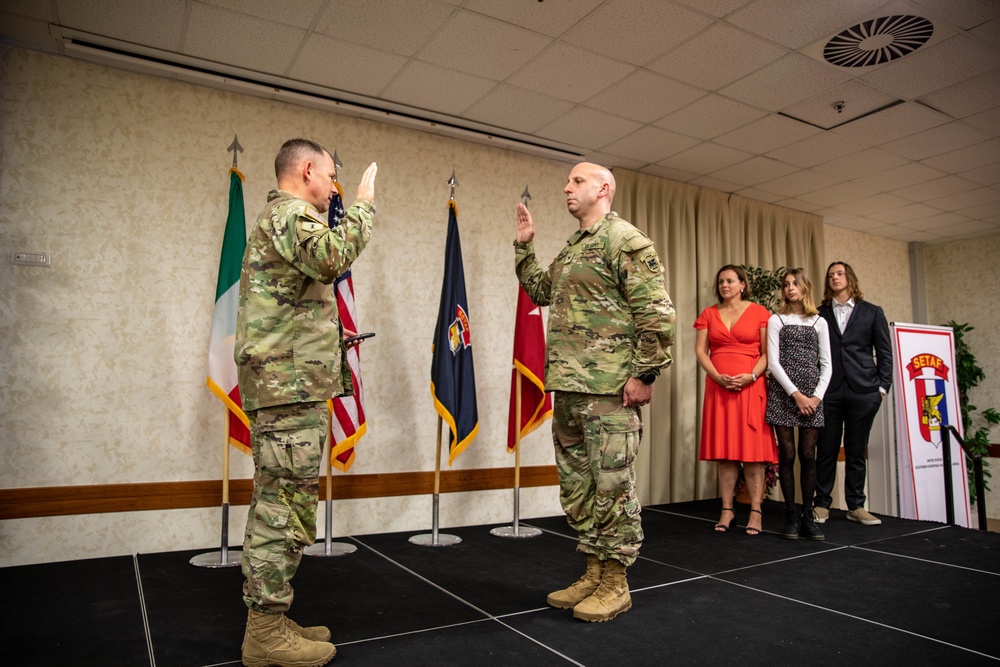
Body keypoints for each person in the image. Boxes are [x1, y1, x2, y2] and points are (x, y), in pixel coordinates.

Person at [235, 138, 377, 667]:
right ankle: (264, 635)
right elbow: (334, 257)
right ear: (309, 170)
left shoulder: (282, 218)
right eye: (333, 177)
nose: (334, 187)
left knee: (283, 503)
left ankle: (270, 619)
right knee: (282, 511)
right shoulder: (292, 213)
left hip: (290, 386)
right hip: (286, 390)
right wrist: (363, 204)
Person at [514, 162, 675, 622]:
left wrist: (644, 375)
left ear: (603, 189)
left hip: (608, 391)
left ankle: (616, 583)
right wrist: (525, 249)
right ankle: (594, 570)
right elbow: (541, 291)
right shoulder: (574, 247)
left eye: (577, 181)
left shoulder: (624, 239)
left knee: (611, 486)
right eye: (568, 182)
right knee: (580, 488)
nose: (567, 187)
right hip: (567, 388)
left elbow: (658, 315)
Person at [695, 265, 775, 536]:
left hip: (751, 388)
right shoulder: (708, 314)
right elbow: (700, 351)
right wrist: (717, 376)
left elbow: (767, 354)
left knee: (753, 454)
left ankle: (755, 511)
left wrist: (751, 376)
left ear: (743, 284)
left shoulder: (760, 313)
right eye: (721, 281)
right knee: (725, 453)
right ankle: (727, 510)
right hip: (719, 388)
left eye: (730, 280)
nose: (724, 285)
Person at [814, 261, 892, 526]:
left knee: (857, 451)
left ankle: (856, 506)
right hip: (829, 392)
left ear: (850, 278)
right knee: (826, 449)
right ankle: (821, 504)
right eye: (831, 275)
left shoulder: (872, 312)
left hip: (864, 391)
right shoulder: (819, 313)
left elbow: (885, 353)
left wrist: (882, 389)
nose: (835, 277)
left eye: (839, 273)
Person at [765, 269, 831, 541]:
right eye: (786, 284)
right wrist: (796, 395)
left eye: (795, 283)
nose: (790, 288)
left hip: (813, 396)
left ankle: (808, 516)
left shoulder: (819, 322)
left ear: (805, 288)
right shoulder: (776, 319)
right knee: (787, 455)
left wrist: (815, 397)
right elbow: (773, 363)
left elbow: (826, 364)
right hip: (784, 394)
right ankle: (790, 515)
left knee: (807, 455)